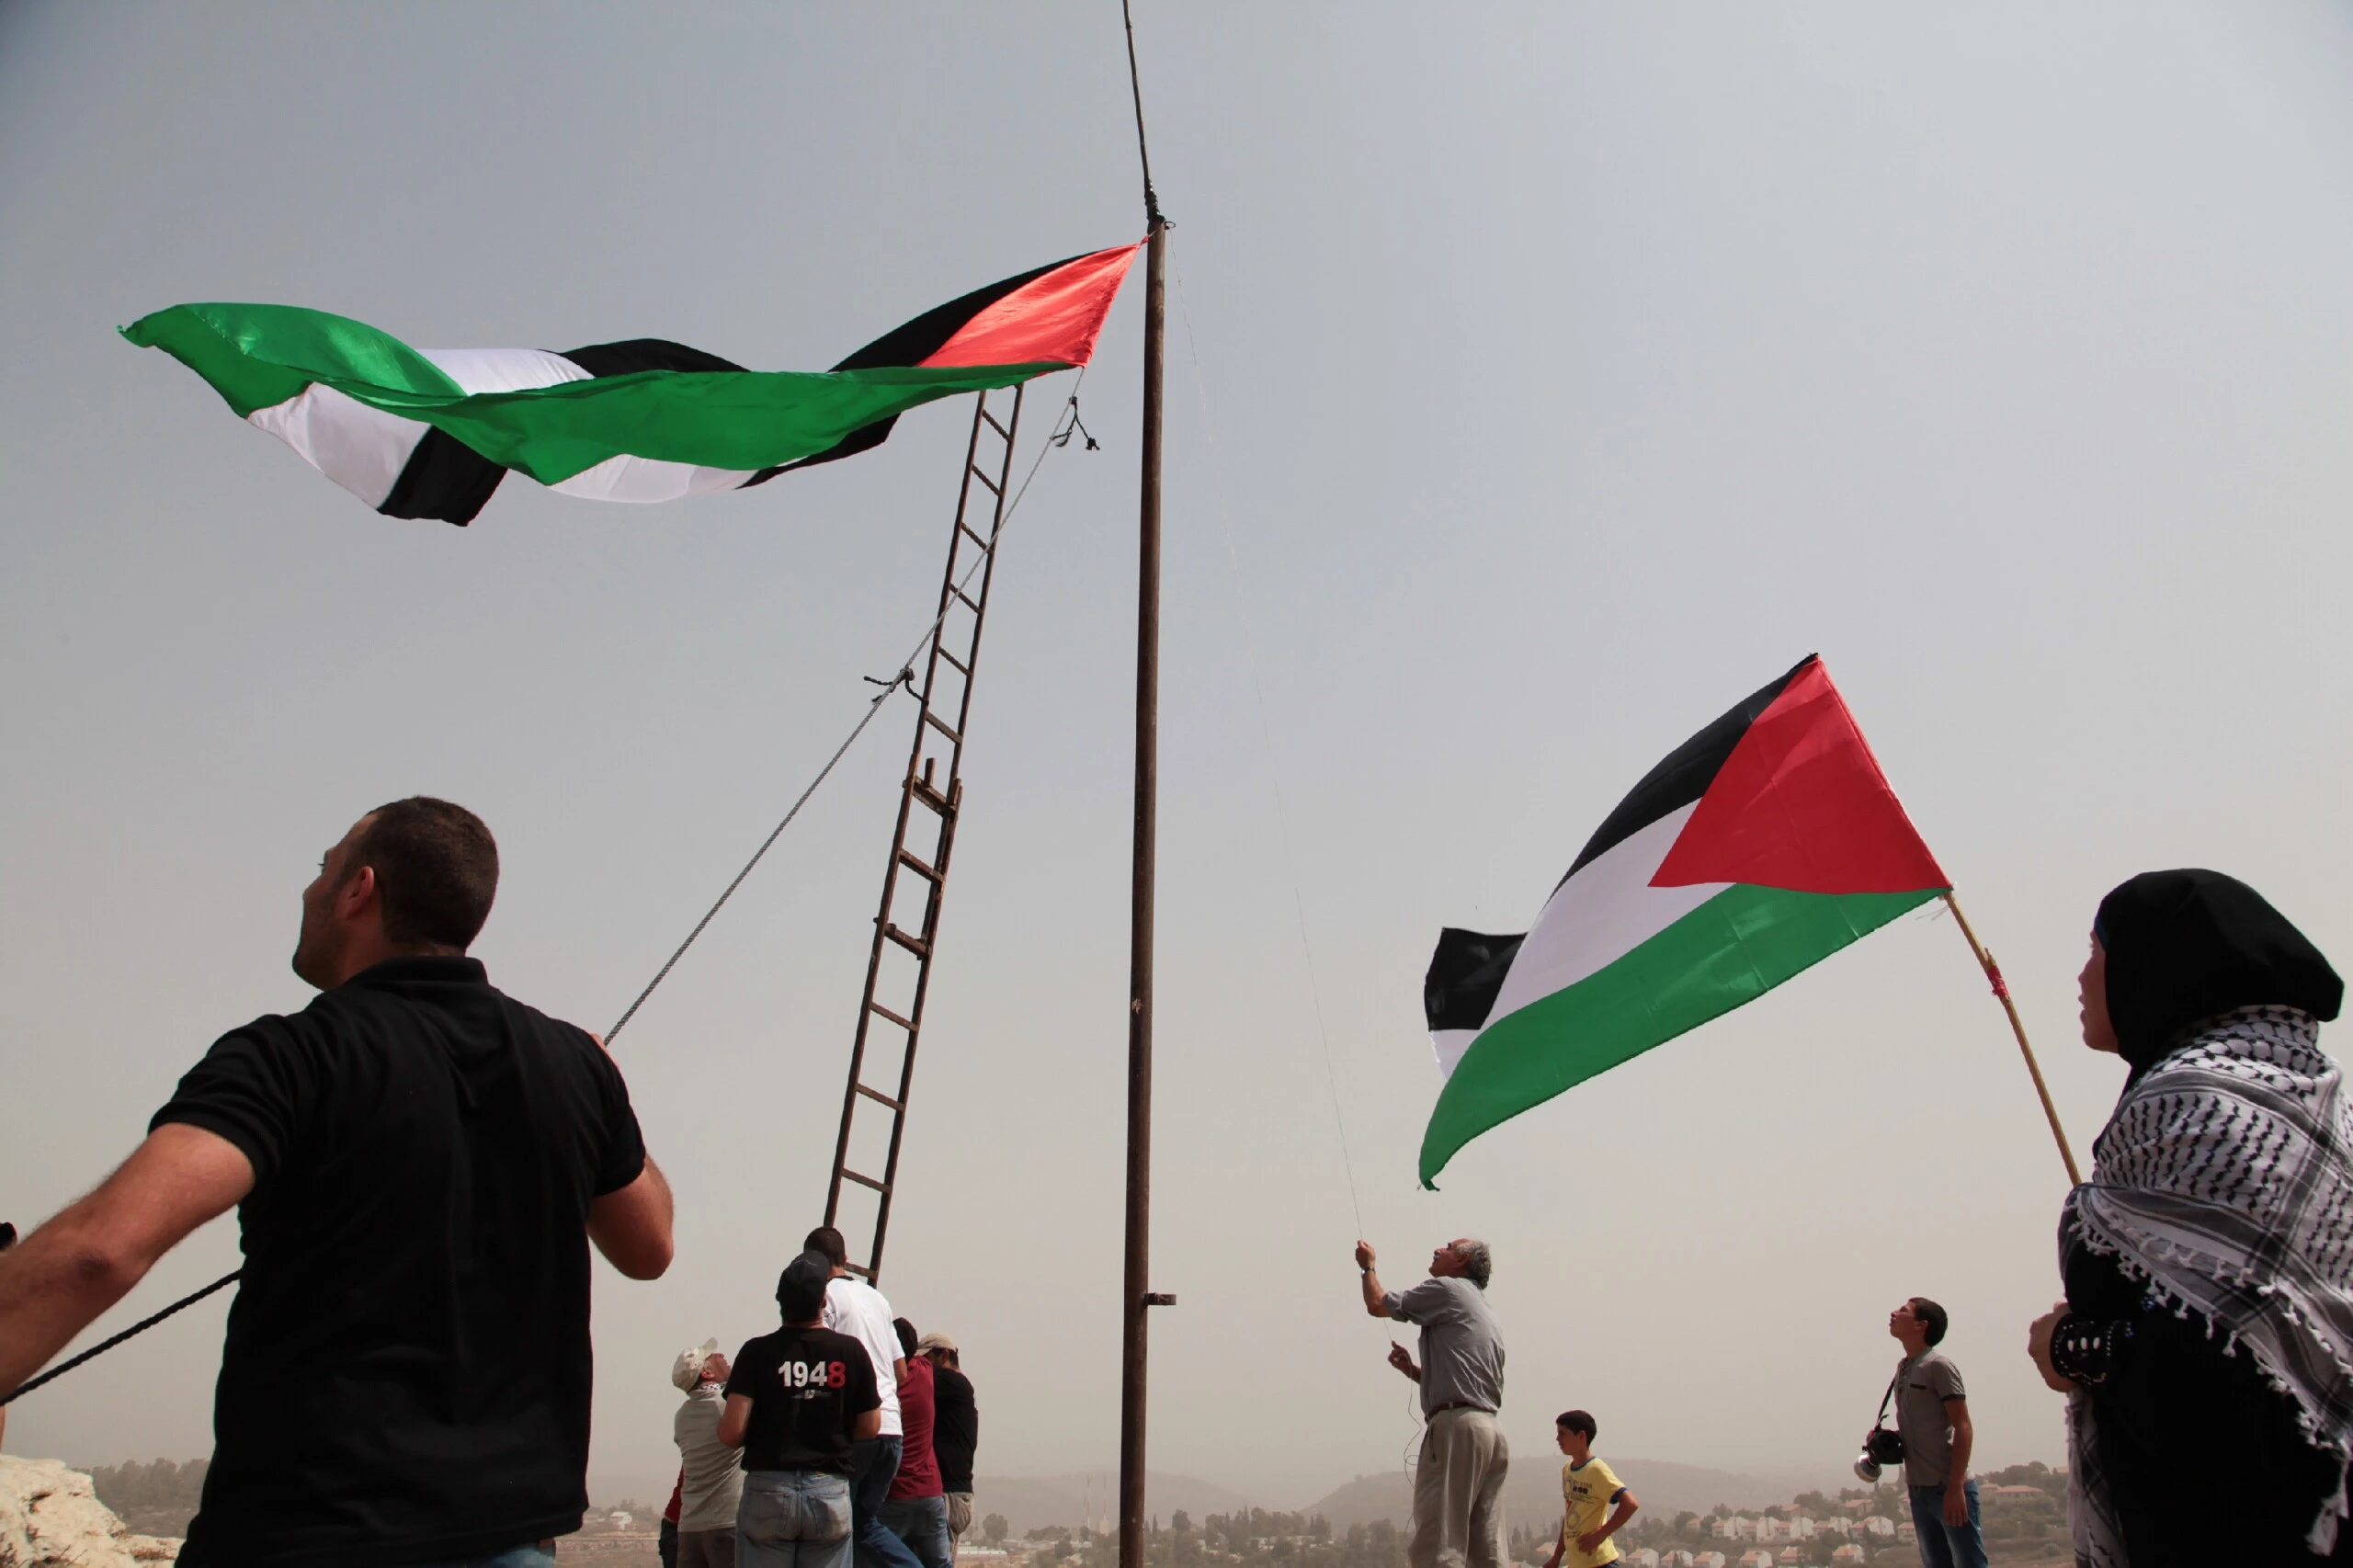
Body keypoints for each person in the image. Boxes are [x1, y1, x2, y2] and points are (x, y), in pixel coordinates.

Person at [0, 798, 674, 1568]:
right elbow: (648, 1247)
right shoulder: (572, 1064)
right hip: (509, 1543)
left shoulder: (290, 1055)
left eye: (321, 869)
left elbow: (102, 1249)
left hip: (310, 1534)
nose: (308, 891)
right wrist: (605, 1086)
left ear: (358, 889)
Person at [2026, 869, 2351, 1565]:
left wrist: (2070, 1347)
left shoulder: (2190, 1112)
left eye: (2096, 950)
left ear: (2156, 964)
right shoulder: (2320, 1113)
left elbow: (2209, 1384)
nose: (2082, 978)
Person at [721, 1251, 883, 1568]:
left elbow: (731, 1433)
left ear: (779, 1301)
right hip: (828, 1491)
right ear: (824, 1302)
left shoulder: (756, 1352)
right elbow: (870, 1426)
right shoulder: (850, 1352)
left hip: (768, 1490)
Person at [1355, 1237, 1508, 1568]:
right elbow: (1464, 1380)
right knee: (1486, 1548)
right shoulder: (1483, 1308)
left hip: (1457, 1429)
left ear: (1461, 1262)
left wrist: (1368, 1266)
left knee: (1441, 1542)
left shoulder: (1448, 1289)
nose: (1438, 1249)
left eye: (1449, 1247)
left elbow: (1378, 1304)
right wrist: (1412, 1371)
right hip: (1490, 1431)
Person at [804, 1226, 922, 1568]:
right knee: (864, 1525)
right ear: (846, 1259)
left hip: (856, 1432)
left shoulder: (824, 1299)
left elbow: (819, 1360)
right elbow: (901, 1372)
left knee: (834, 1529)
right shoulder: (877, 1298)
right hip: (891, 1432)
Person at [1881, 1298, 1983, 1568]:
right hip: (1919, 1490)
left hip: (1946, 1487)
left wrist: (1955, 1487)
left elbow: (1963, 1425)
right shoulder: (1904, 1367)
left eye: (1903, 1310)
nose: (1893, 1312)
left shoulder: (1939, 1366)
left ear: (1920, 1325)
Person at [880, 1319, 950, 1568]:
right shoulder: (924, 1371)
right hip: (929, 1491)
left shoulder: (883, 1387)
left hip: (894, 1494)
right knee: (941, 1563)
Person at [676, 1338, 745, 1568]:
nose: (720, 1356)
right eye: (711, 1356)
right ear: (706, 1372)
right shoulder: (728, 1408)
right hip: (726, 1522)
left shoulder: (682, 1416)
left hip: (690, 1526)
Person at [1540, 1411, 1636, 1568]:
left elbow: (1630, 1504)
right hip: (1578, 1563)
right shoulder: (1567, 1470)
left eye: (1562, 1434)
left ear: (1581, 1436)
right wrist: (1556, 1558)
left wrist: (1600, 1535)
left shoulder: (1596, 1470)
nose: (1557, 1439)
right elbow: (1570, 1513)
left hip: (1599, 1562)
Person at [915, 1333, 976, 1549]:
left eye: (926, 1360)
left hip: (949, 1493)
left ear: (943, 1355)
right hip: (953, 1493)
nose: (921, 1366)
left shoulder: (953, 1382)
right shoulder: (958, 1388)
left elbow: (907, 1376)